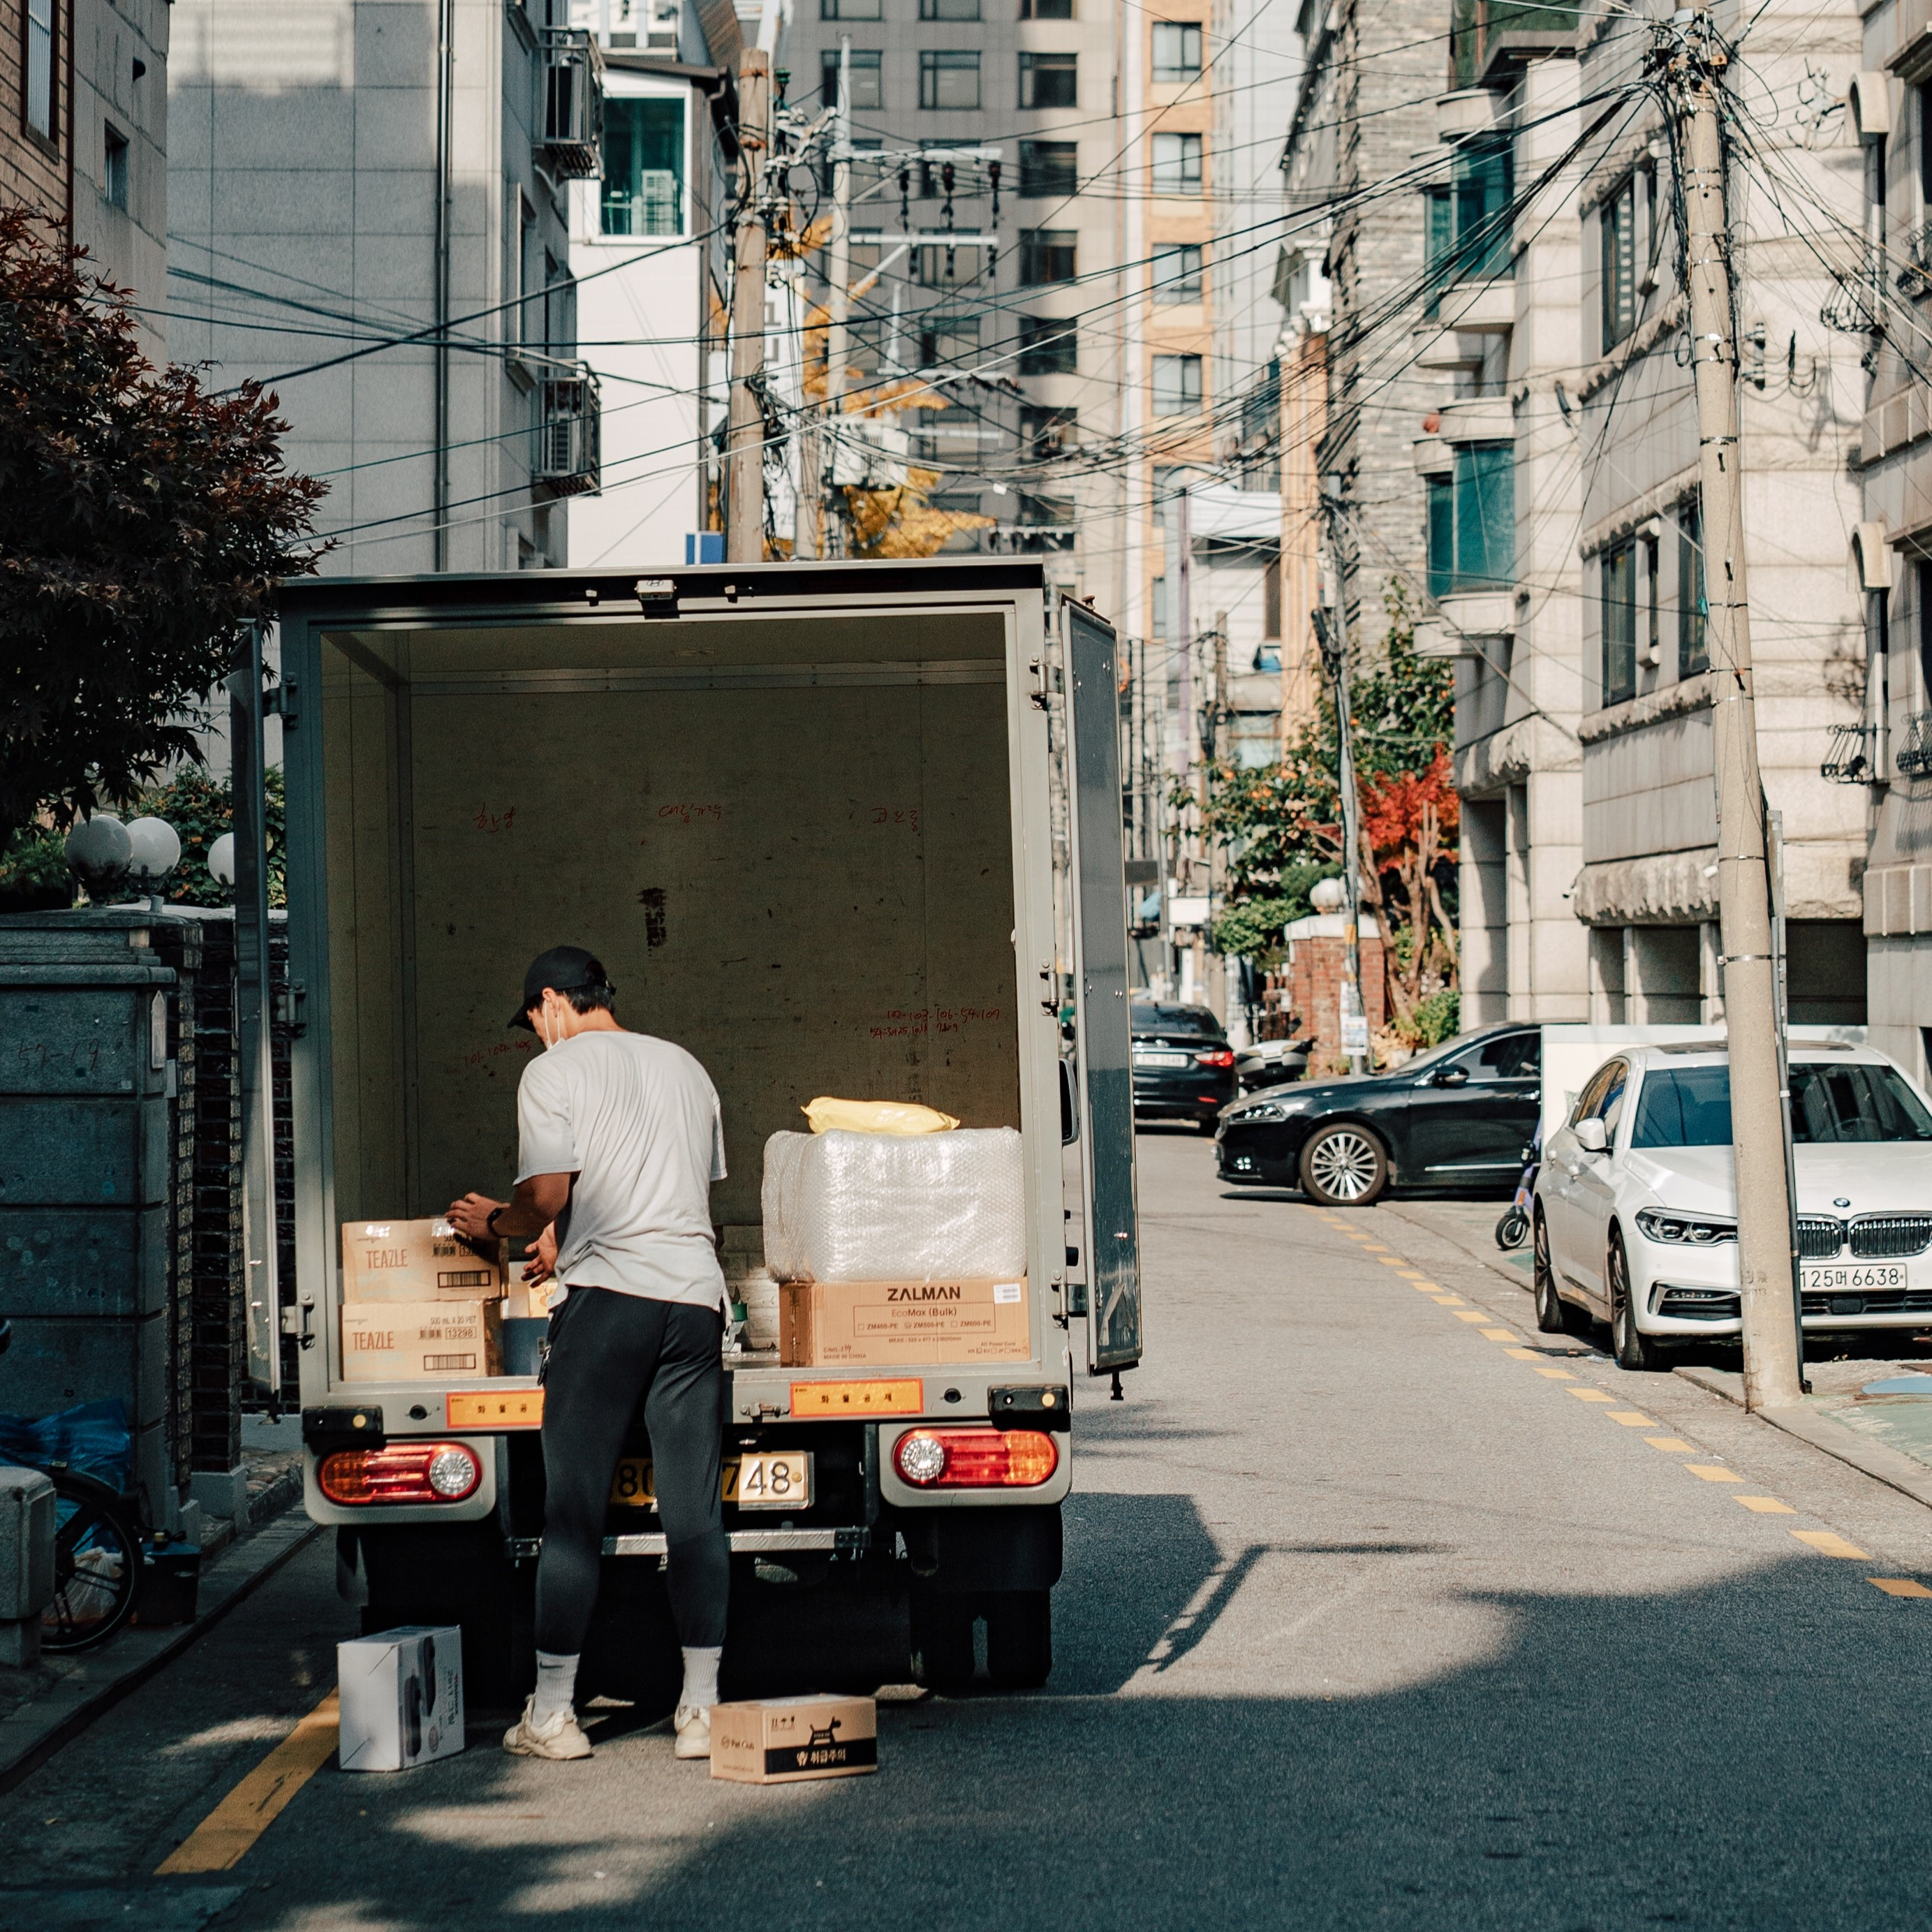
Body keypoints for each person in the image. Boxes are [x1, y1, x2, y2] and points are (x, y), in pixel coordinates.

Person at [447, 945, 730, 1763]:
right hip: (692, 1301)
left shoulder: (556, 1070)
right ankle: (702, 1711)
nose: (536, 1036)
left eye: (533, 1022)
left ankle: (553, 1715)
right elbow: (670, 1192)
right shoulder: (686, 1066)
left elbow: (549, 1194)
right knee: (693, 1515)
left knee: (571, 1517)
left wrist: (497, 1224)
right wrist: (565, 1244)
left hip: (608, 1307)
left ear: (550, 1003)